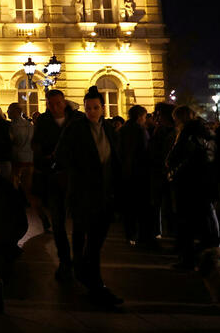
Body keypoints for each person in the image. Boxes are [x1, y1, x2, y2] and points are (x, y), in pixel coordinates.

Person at [55, 86, 122, 308]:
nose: (92, 111)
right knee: (87, 239)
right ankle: (95, 283)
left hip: (104, 195)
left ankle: (85, 274)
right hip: (83, 194)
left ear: (102, 108)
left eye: (95, 107)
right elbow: (62, 156)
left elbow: (116, 160)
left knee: (95, 240)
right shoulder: (75, 129)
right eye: (88, 108)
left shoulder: (109, 130)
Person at [32, 89, 82, 280]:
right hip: (53, 178)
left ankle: (77, 260)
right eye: (50, 104)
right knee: (58, 223)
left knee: (78, 223)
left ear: (64, 102)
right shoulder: (43, 121)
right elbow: (36, 146)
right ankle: (64, 261)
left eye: (57, 103)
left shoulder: (77, 119)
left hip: (75, 179)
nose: (54, 107)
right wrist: (46, 160)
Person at [166, 106, 219, 269]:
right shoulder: (207, 132)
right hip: (204, 182)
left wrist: (172, 168)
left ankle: (188, 260)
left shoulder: (187, 133)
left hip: (187, 183)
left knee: (186, 223)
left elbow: (176, 156)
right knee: (205, 223)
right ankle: (210, 259)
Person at [117, 105, 152, 246]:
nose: (145, 120)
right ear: (139, 117)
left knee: (128, 208)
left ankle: (130, 235)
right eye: (144, 117)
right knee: (142, 207)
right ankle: (142, 237)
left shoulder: (123, 130)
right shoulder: (140, 130)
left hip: (125, 174)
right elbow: (144, 151)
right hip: (139, 173)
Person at [149, 102, 178, 240]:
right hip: (161, 175)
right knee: (163, 207)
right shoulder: (161, 130)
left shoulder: (173, 133)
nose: (157, 118)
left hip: (168, 176)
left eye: (159, 115)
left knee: (171, 209)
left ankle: (171, 236)